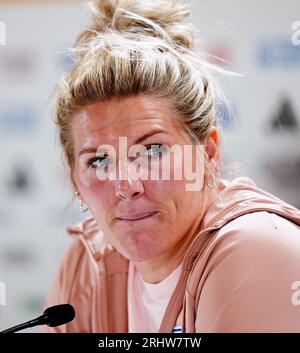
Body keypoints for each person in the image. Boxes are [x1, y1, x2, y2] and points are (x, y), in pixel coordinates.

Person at [41, 0, 300, 333]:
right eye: (99, 160)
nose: (126, 184)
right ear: (75, 180)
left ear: (208, 153)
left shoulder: (255, 249)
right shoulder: (85, 264)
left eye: (152, 150)